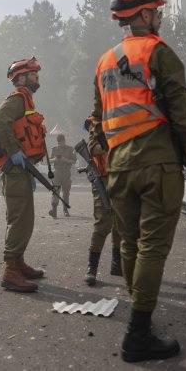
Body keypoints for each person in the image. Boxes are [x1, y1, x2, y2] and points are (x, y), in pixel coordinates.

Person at [91, 0, 186, 362]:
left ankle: (139, 322)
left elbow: (97, 118)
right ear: (143, 15)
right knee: (153, 248)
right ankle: (138, 333)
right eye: (156, 11)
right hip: (157, 162)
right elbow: (183, 115)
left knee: (130, 246)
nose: (159, 17)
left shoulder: (105, 61)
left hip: (119, 166)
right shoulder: (159, 52)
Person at [0, 57, 46, 293]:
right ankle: (11, 271)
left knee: (25, 218)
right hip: (13, 169)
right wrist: (14, 152)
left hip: (21, 169)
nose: (37, 78)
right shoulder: (18, 98)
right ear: (22, 78)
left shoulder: (26, 99)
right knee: (18, 218)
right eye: (33, 74)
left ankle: (19, 263)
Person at [83, 116, 121, 286]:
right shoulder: (95, 122)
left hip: (122, 176)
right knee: (102, 223)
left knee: (121, 222)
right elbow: (94, 148)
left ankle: (117, 264)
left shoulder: (124, 114)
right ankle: (92, 268)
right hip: (103, 178)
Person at [48, 134, 77, 218]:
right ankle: (54, 210)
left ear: (64, 141)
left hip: (66, 172)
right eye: (59, 143)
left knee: (66, 192)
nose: (60, 144)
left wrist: (65, 160)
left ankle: (65, 209)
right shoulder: (53, 149)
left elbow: (74, 161)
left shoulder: (70, 149)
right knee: (55, 190)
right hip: (56, 172)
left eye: (61, 142)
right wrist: (54, 159)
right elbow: (49, 160)